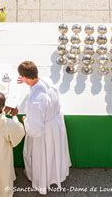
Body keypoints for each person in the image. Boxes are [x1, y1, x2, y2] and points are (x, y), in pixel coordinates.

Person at [17, 61, 71, 195]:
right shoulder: (47, 81)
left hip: (45, 133)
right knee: (55, 153)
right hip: (56, 126)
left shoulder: (35, 101)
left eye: (22, 77)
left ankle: (43, 179)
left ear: (24, 77)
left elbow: (35, 130)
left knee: (43, 156)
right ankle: (56, 173)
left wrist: (25, 121)